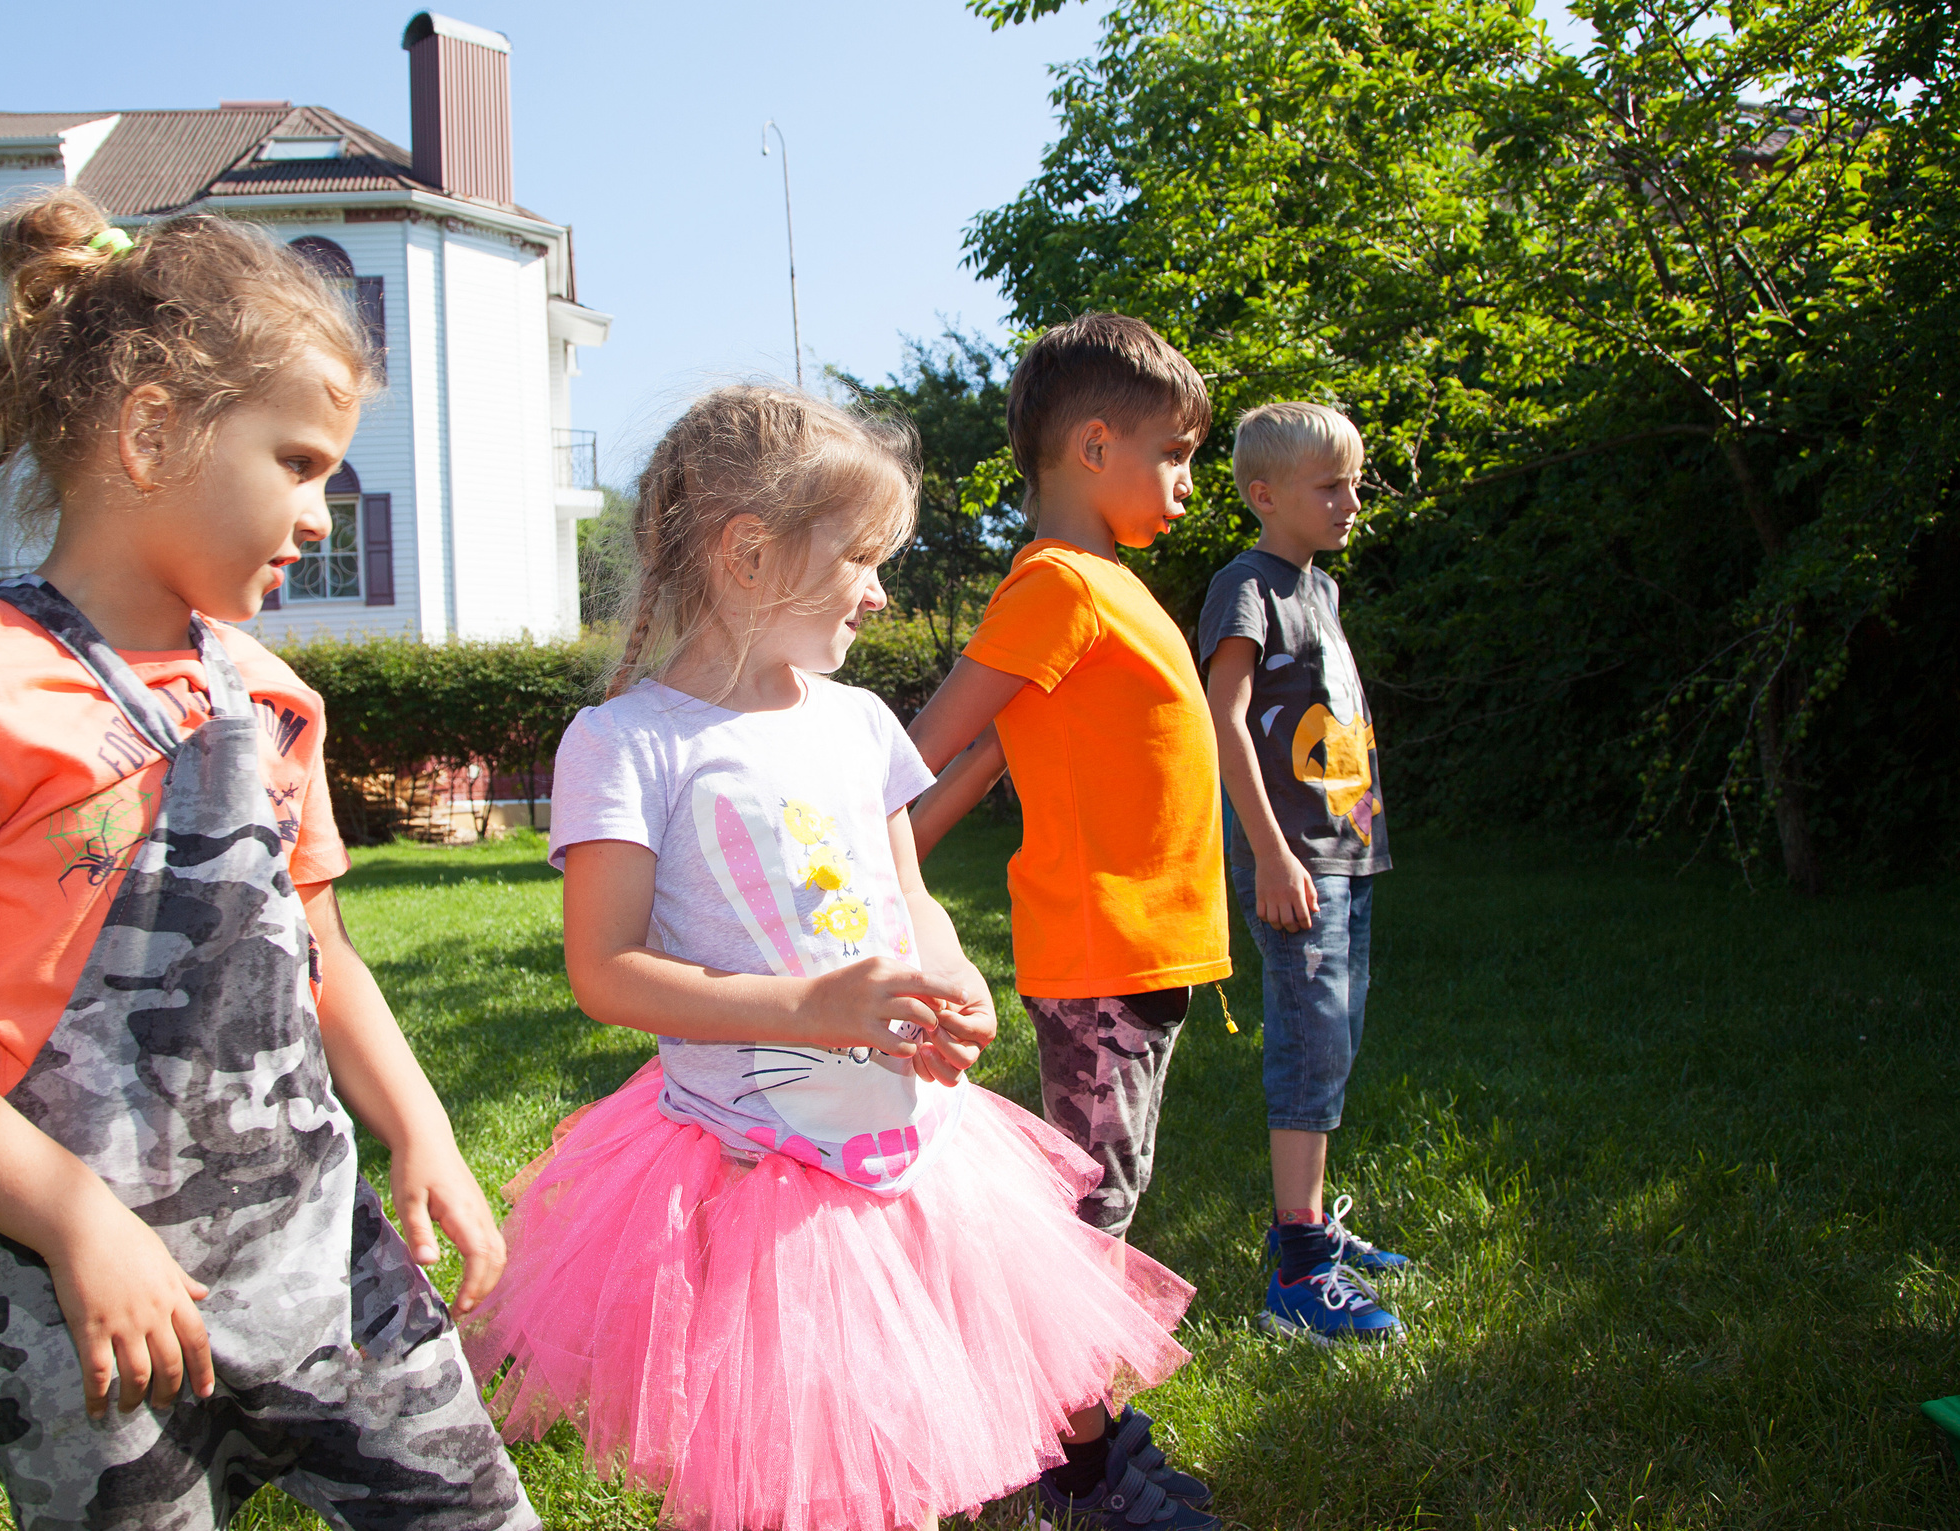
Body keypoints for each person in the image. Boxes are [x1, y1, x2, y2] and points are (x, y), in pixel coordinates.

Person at [0, 189, 537, 1531]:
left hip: (320, 1256)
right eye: (299, 461)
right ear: (152, 432)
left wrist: (420, 1126)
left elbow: (319, 952)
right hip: (89, 1304)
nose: (326, 509)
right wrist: (77, 1221)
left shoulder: (271, 696)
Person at [462, 384, 1216, 1531]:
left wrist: (951, 978)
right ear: (749, 553)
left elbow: (910, 896)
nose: (879, 591)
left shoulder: (858, 721)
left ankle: (1088, 1469)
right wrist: (811, 1003)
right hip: (761, 1163)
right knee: (809, 1414)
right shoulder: (626, 744)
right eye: (861, 558)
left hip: (915, 1124)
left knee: (999, 1310)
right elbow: (605, 970)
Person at [904, 314, 1229, 1256]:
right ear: (1095, 445)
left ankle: (1070, 1401)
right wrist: (857, 854)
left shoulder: (1103, 582)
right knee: (1090, 1210)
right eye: (1173, 453)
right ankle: (1067, 1404)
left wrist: (907, 849)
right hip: (1102, 960)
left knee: (1105, 1196)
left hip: (1139, 958)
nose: (1186, 482)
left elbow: (992, 753)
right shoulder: (1061, 587)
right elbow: (926, 745)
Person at [1195, 399, 1408, 1344]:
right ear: (1263, 494)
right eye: (1332, 485)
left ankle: (1316, 1221)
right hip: (1296, 859)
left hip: (1346, 850)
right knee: (1309, 1045)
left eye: (1354, 481)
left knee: (1339, 1037)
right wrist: (1272, 851)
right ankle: (1298, 1271)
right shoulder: (1249, 585)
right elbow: (1223, 717)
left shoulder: (1319, 589)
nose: (1352, 500)